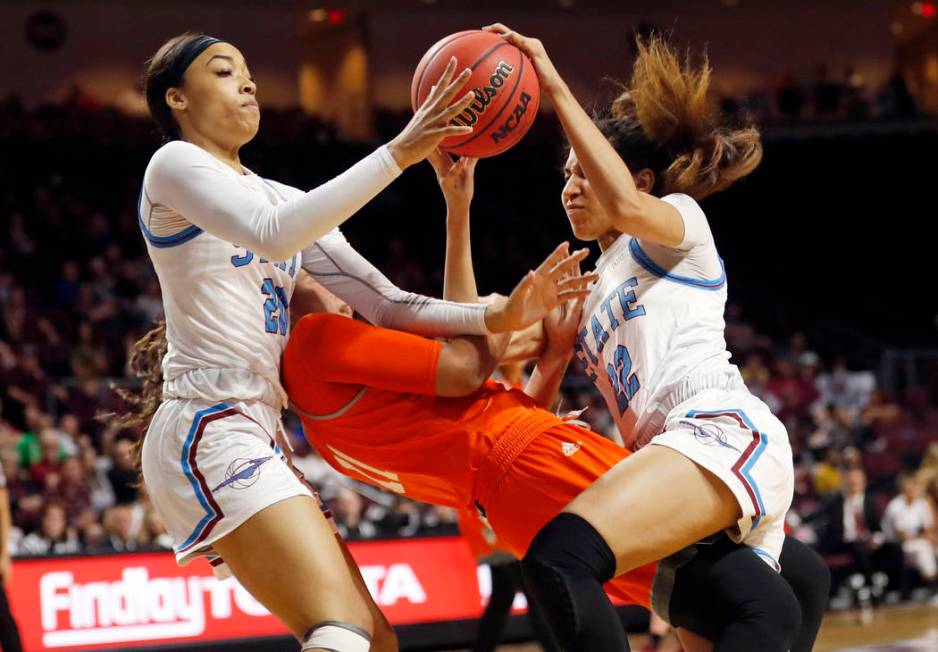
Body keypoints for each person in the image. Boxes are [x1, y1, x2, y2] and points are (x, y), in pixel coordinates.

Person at [120, 32, 593, 652]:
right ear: (177, 98)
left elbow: (388, 304)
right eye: (224, 70)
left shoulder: (282, 196)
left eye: (248, 70)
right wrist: (401, 149)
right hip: (208, 422)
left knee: (374, 640)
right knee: (340, 629)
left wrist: (503, 313)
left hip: (254, 426)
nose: (249, 82)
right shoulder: (174, 166)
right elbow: (273, 234)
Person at [281, 149, 826, 652]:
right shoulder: (315, 340)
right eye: (319, 271)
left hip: (518, 478)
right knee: (764, 603)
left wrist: (554, 353)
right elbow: (464, 360)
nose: (339, 284)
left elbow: (492, 418)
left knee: (792, 581)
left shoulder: (328, 431)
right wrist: (505, 308)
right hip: (535, 464)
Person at [482, 25, 804, 651]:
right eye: (566, 175)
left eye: (587, 172)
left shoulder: (676, 226)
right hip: (670, 469)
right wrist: (551, 356)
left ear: (643, 181)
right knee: (744, 625)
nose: (572, 186)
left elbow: (625, 207)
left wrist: (552, 85)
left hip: (719, 432)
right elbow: (533, 422)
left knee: (561, 555)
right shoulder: (590, 285)